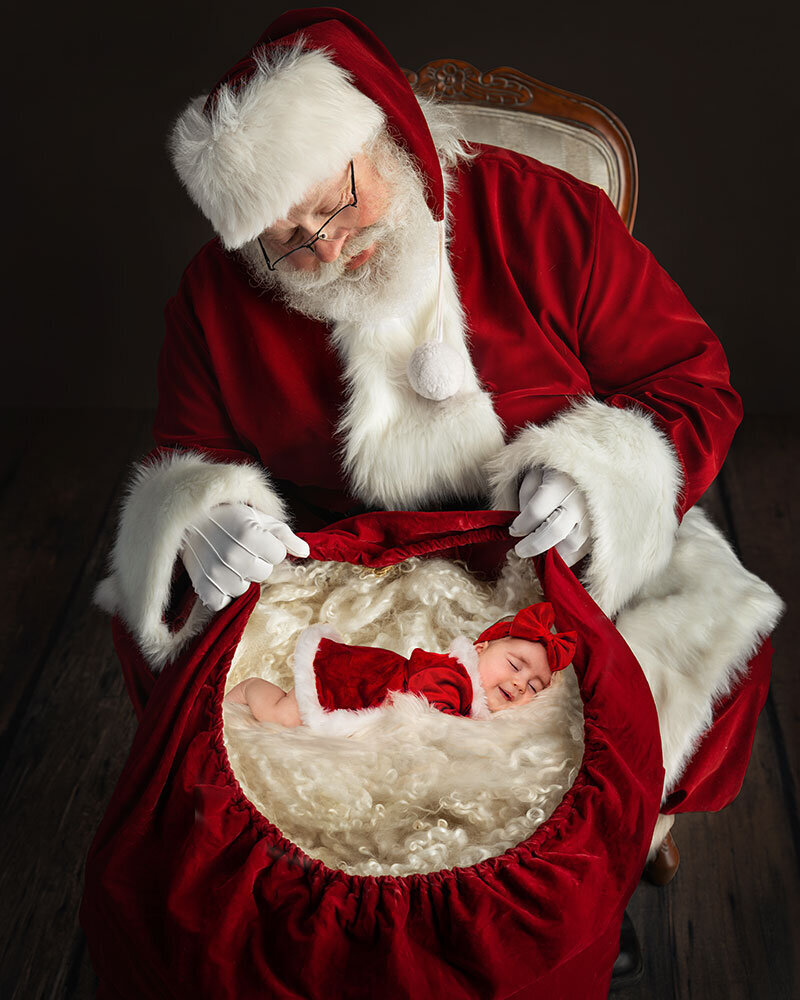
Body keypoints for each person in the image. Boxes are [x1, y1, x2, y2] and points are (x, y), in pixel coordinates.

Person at [94, 2, 782, 920]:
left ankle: (574, 883)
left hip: (549, 545)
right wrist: (206, 514)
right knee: (204, 690)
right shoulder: (215, 298)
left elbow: (688, 382)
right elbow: (189, 454)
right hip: (335, 558)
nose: (328, 248)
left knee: (705, 643)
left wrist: (598, 473)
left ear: (388, 133)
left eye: (338, 203)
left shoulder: (543, 214)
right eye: (288, 240)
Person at [225, 601, 577, 730]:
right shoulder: (454, 677)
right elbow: (428, 714)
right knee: (285, 717)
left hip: (370, 689)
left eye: (534, 686)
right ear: (480, 648)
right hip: (354, 681)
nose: (520, 683)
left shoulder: (475, 703)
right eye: (516, 665)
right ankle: (251, 687)